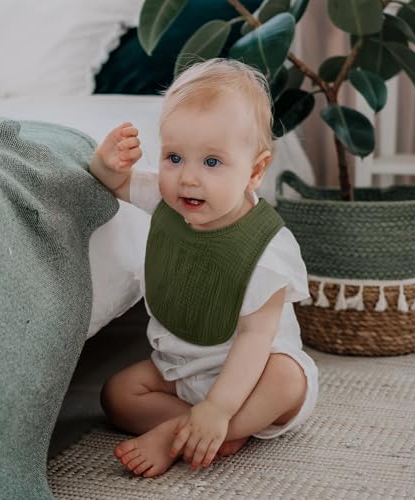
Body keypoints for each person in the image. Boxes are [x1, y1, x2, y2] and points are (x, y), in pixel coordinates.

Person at [90, 58, 318, 478]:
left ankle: (190, 429)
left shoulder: (267, 249)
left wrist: (218, 407)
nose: (188, 179)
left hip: (253, 378)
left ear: (255, 171)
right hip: (180, 369)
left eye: (212, 162)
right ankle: (209, 432)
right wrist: (106, 163)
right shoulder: (168, 203)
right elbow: (117, 182)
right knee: (117, 395)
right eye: (174, 157)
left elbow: (255, 339)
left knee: (289, 378)